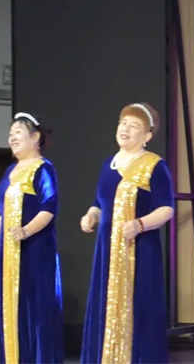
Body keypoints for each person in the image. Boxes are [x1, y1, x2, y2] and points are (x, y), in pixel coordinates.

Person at [80, 103, 174, 364]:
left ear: (147, 136)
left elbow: (167, 208)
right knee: (106, 306)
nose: (125, 129)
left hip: (140, 250)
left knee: (139, 309)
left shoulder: (154, 165)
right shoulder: (107, 165)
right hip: (107, 251)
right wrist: (91, 215)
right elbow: (100, 202)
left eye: (134, 126)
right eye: (123, 123)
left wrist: (140, 224)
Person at [0, 112, 63, 363]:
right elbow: (6, 214)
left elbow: (48, 208)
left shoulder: (43, 168)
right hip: (10, 254)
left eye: (17, 132)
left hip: (35, 252)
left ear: (35, 137)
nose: (12, 138)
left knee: (33, 311)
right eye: (10, 134)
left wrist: (26, 230)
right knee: (10, 309)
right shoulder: (11, 170)